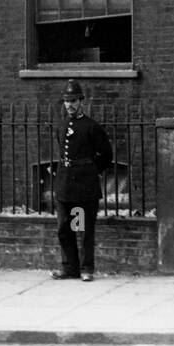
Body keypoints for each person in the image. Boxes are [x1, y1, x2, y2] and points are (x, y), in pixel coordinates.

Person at [49, 79, 112, 282]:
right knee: (63, 230)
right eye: (67, 101)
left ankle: (86, 268)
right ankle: (70, 268)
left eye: (74, 100)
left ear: (81, 101)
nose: (70, 105)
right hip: (65, 187)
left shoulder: (91, 127)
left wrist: (91, 171)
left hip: (83, 189)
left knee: (83, 229)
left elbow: (105, 155)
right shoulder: (62, 125)